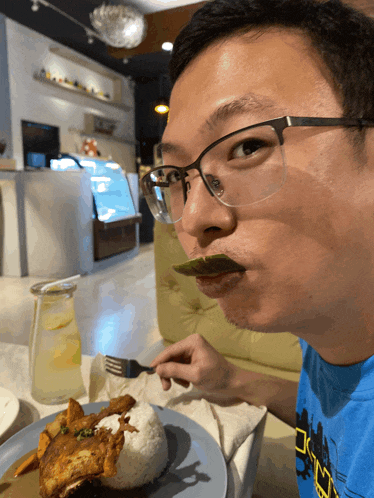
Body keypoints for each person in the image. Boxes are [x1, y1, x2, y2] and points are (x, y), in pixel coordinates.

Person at [140, 0, 374, 495]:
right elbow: (339, 420)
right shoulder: (331, 328)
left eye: (247, 147)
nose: (195, 219)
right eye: (178, 177)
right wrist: (233, 380)